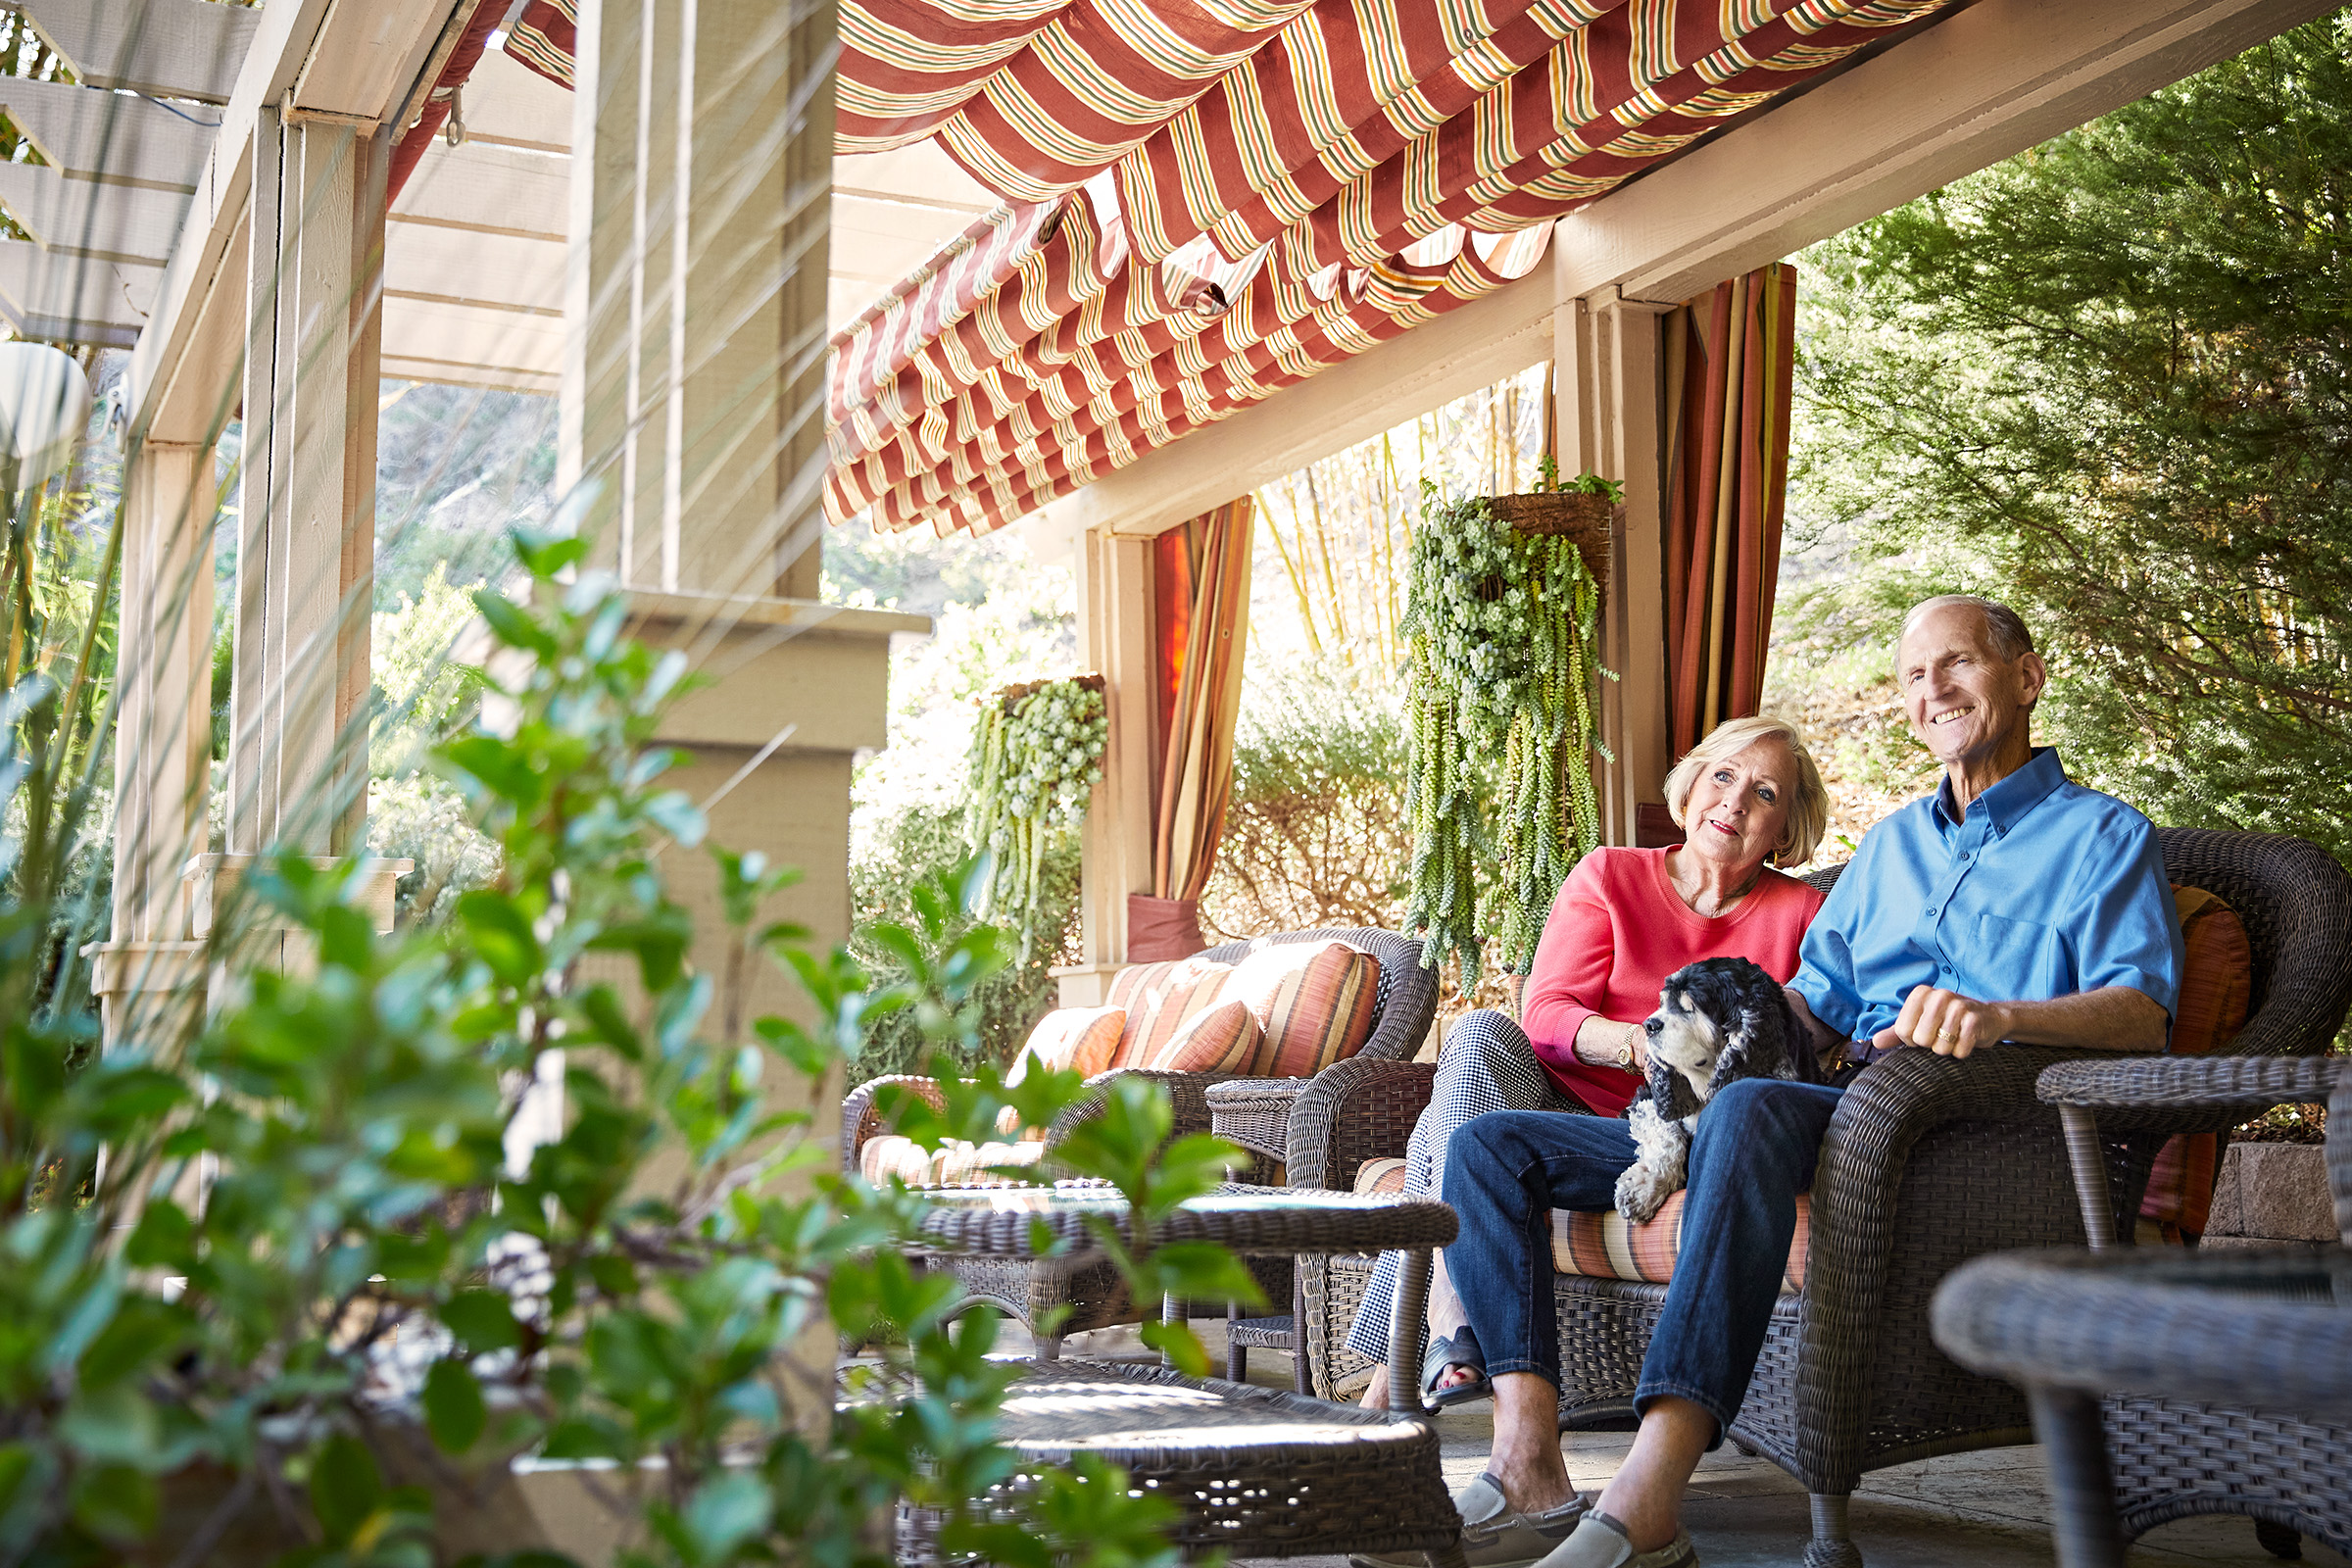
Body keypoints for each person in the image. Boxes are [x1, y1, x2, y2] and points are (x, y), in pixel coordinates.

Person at [1392, 596, 2183, 1568]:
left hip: (1974, 1132)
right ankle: (1527, 1464)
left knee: (1753, 1109)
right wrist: (1708, 1026)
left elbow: (2144, 1011)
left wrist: (2003, 1015)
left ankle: (1649, 1495)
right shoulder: (1894, 846)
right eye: (1912, 675)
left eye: (1958, 664)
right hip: (1836, 1114)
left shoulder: (2103, 837)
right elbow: (1811, 1009)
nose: (1932, 688)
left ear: (2027, 676)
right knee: (1488, 1146)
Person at [1345, 714, 1833, 1446]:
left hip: (1679, 1128)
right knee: (1479, 1036)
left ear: (1785, 826)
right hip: (1561, 1105)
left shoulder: (1804, 915)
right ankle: (1445, 1323)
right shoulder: (1612, 873)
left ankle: (1403, 1369)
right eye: (1723, 776)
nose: (1733, 802)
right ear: (1692, 784)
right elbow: (1544, 1013)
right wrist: (1635, 1043)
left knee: (1440, 1144)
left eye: (1764, 793)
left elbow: (1790, 1042)